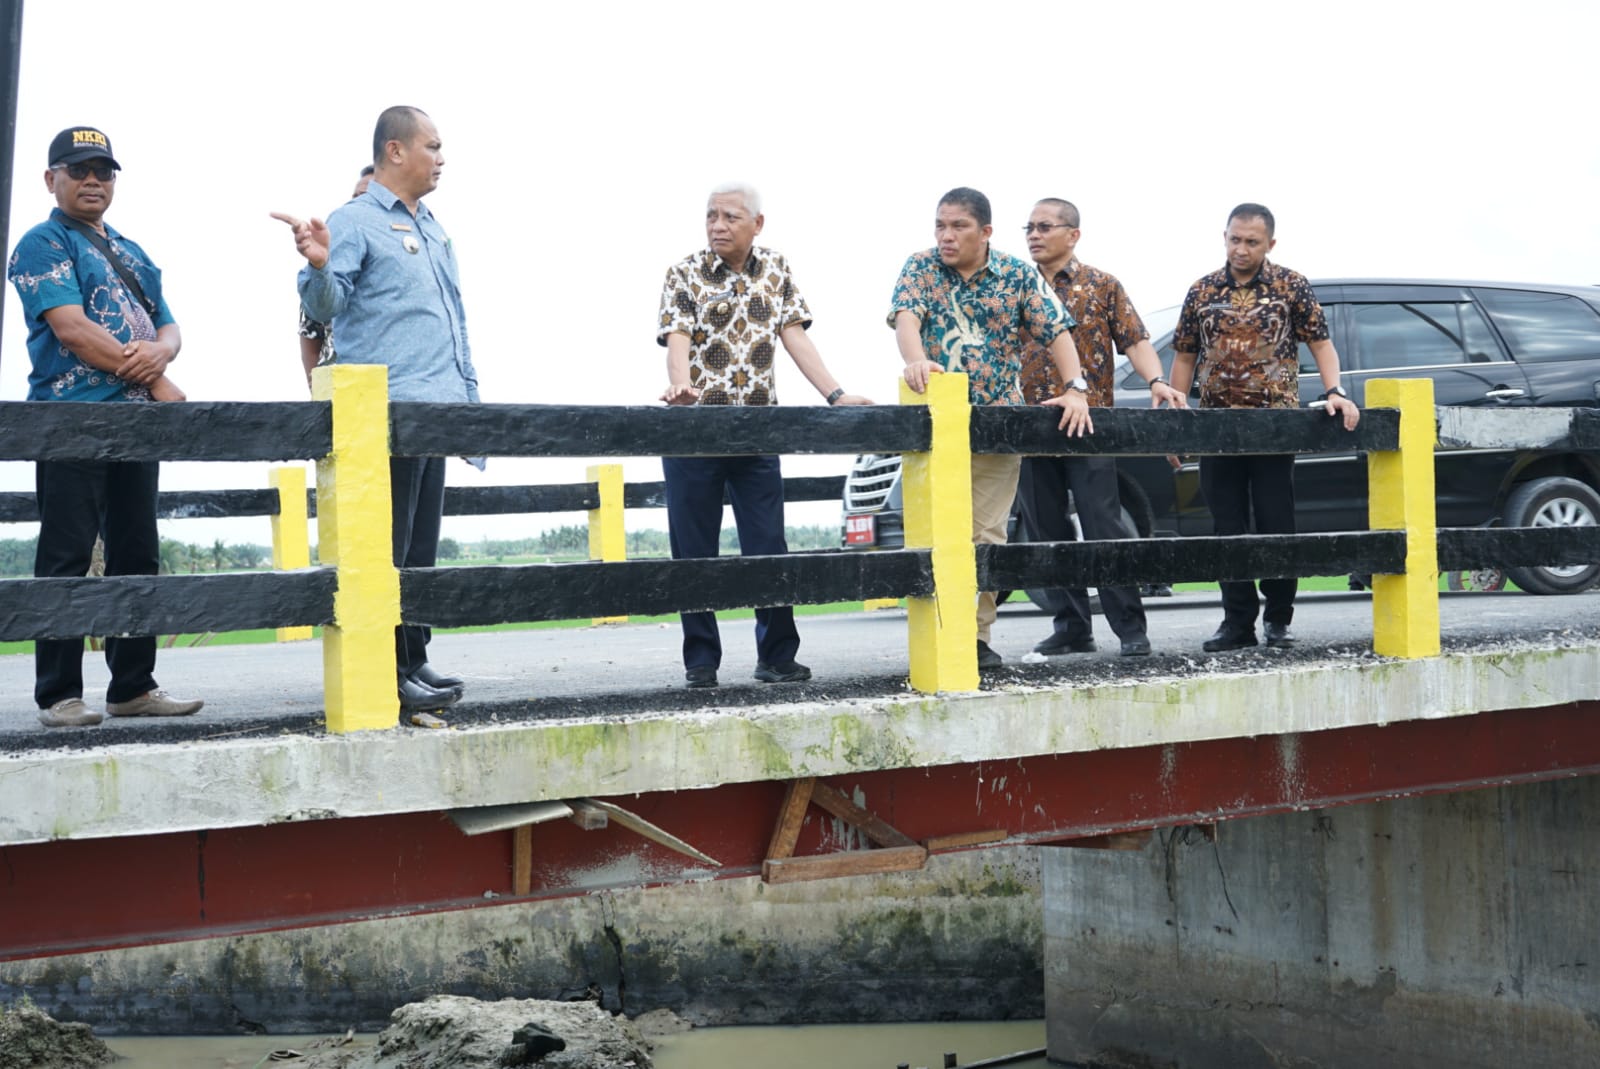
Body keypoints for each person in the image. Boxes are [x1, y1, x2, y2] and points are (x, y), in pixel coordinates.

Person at [273, 106, 479, 720]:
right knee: (386, 551)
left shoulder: (434, 226)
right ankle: (388, 671)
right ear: (396, 151)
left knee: (420, 551)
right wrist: (315, 263)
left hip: (435, 407)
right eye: (433, 146)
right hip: (385, 412)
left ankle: (413, 660)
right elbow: (328, 302)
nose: (442, 158)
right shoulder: (355, 221)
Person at [6, 125, 204, 728]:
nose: (93, 180)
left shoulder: (134, 252)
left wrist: (162, 354)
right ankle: (59, 695)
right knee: (65, 555)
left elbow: (168, 326)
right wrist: (157, 377)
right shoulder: (43, 244)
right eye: (78, 170)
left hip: (136, 426)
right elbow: (70, 327)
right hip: (70, 421)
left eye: (103, 171)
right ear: (52, 179)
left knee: (138, 553)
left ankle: (133, 687)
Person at [657, 182, 870, 689]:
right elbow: (677, 336)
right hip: (695, 433)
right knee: (694, 553)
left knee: (769, 548)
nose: (717, 226)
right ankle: (701, 661)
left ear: (757, 224)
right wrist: (681, 384)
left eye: (730, 217)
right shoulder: (683, 272)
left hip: (757, 433)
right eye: (710, 216)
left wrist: (835, 394)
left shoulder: (774, 269)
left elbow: (794, 334)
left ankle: (776, 656)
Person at [890, 187, 1092, 670]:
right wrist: (916, 361)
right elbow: (906, 319)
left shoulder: (1016, 275)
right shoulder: (920, 268)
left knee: (986, 534)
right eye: (940, 225)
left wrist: (1076, 388)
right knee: (936, 534)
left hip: (998, 427)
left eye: (957, 226)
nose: (945, 235)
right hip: (935, 427)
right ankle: (939, 631)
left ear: (985, 232)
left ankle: (975, 637)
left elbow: (1057, 330)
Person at [1168, 203, 1360, 652]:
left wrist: (1336, 390)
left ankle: (1278, 619)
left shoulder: (1290, 285)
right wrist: (1175, 422)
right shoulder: (1202, 290)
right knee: (1227, 526)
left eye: (1252, 241)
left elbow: (1321, 343)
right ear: (1225, 236)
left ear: (1270, 243)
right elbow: (1183, 356)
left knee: (1277, 521)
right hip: (1217, 427)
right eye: (1235, 239)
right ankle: (1237, 622)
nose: (1241, 248)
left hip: (1275, 426)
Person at [1018, 198, 1187, 658]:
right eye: (1028, 227)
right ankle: (1072, 626)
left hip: (1089, 423)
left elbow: (1135, 339)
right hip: (1029, 425)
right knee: (1047, 532)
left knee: (1104, 527)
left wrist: (1156, 381)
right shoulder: (1012, 286)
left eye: (1044, 227)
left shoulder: (1101, 285)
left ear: (1072, 234)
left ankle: (1130, 629)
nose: (1033, 235)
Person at [296, 165, 375, 389]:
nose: (359, 202)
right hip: (336, 384)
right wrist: (314, 381)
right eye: (356, 196)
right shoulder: (329, 263)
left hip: (385, 383)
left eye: (367, 196)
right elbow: (309, 330)